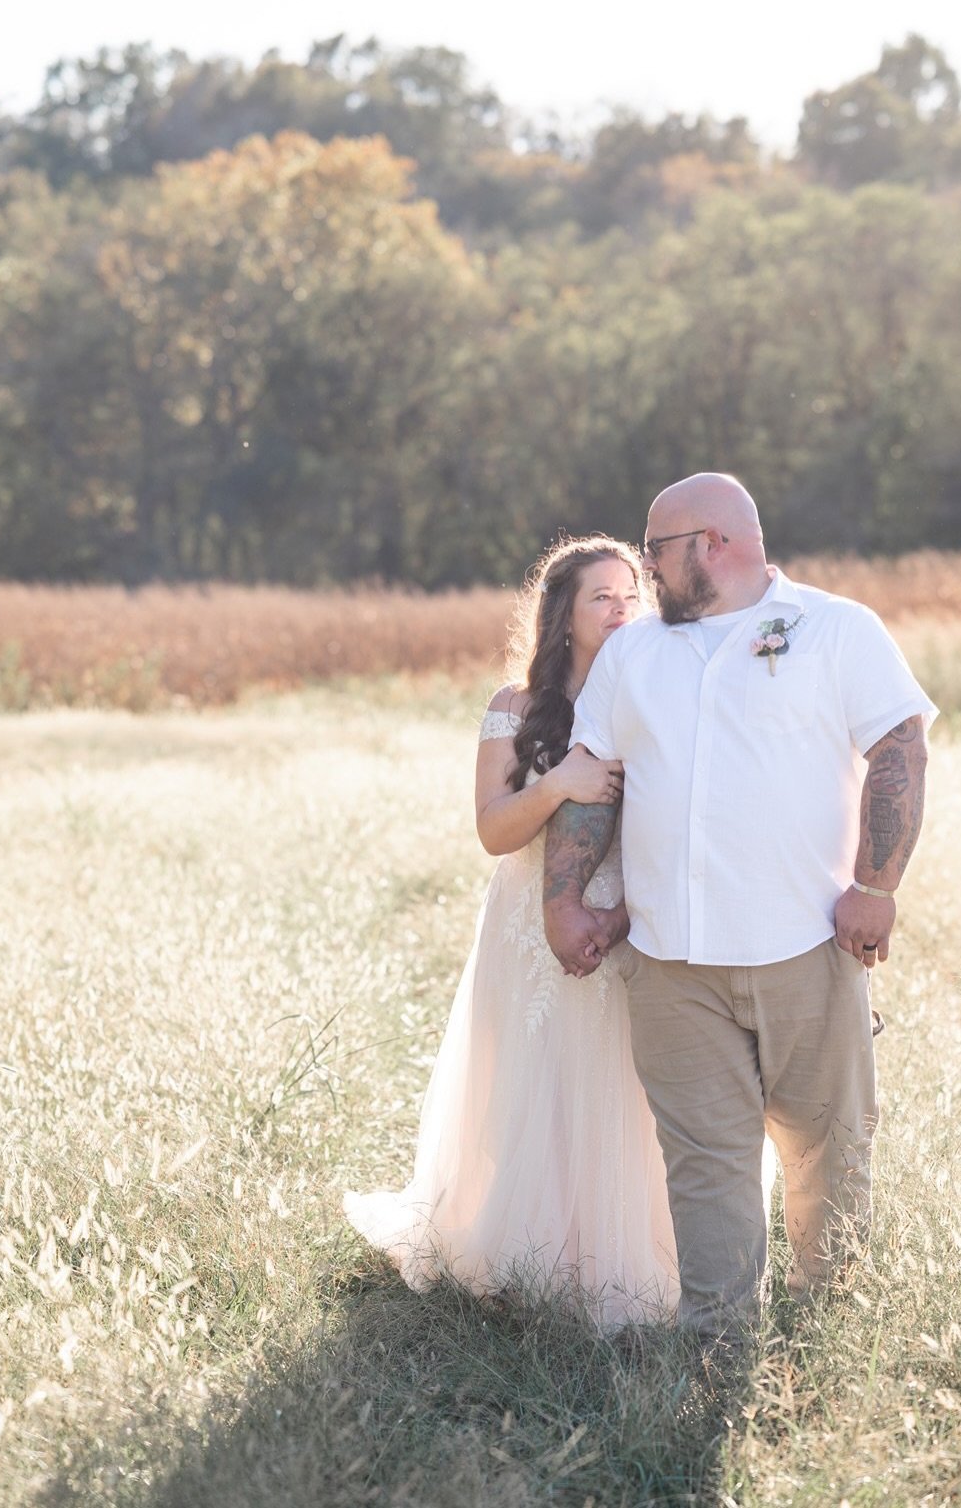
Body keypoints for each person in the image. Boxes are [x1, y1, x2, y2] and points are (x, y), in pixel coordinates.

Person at [543, 473, 935, 1335]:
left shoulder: (834, 628)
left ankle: (829, 1327)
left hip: (804, 947)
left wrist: (875, 887)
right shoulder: (634, 654)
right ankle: (718, 1338)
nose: (645, 570)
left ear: (710, 545)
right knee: (703, 1162)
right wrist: (563, 899)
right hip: (671, 964)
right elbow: (591, 786)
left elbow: (899, 748)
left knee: (827, 1149)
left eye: (654, 551)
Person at [343, 536, 682, 1328]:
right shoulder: (515, 706)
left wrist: (621, 911)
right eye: (602, 595)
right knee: (533, 1083)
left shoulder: (653, 698)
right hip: (527, 922)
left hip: (622, 919)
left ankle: (617, 1262)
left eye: (631, 594)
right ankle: (526, 1258)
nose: (622, 608)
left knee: (617, 1088)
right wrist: (561, 781)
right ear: (563, 612)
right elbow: (493, 829)